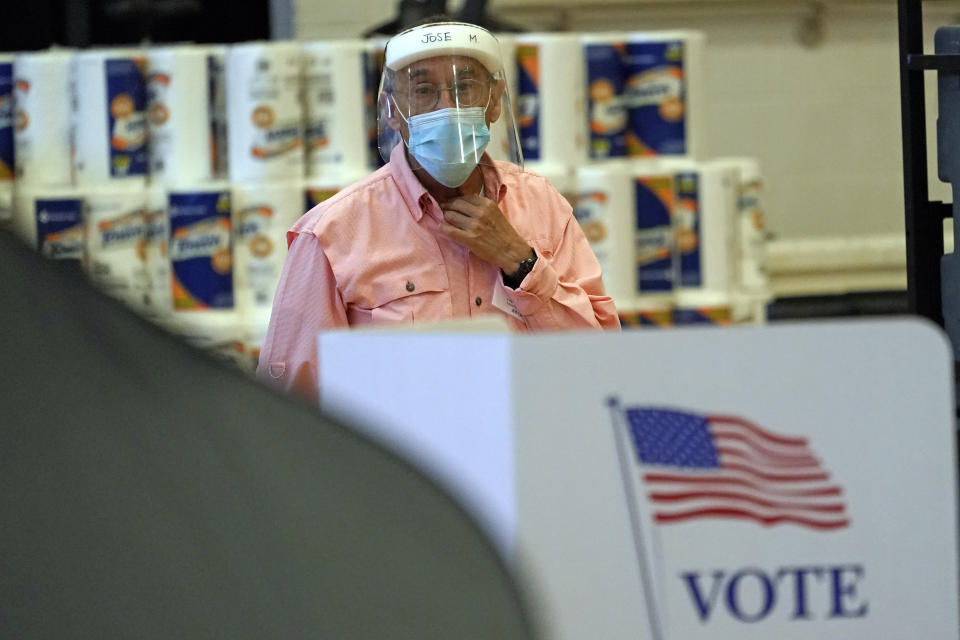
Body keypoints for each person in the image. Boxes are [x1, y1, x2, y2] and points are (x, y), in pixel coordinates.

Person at [257, 19, 619, 403]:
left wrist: (521, 263)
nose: (449, 108)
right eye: (424, 90)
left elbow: (602, 363)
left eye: (465, 88)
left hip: (527, 453)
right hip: (401, 460)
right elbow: (289, 401)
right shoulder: (330, 234)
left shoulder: (542, 205)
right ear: (392, 110)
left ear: (494, 102)